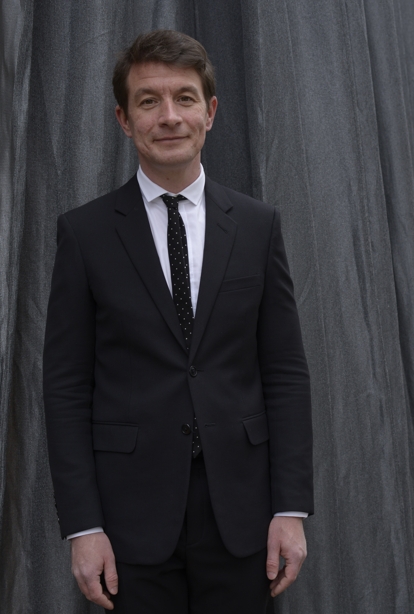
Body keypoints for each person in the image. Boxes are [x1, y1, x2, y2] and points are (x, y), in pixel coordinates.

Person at [43, 29, 313, 613]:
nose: (169, 116)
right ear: (124, 119)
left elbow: (285, 372)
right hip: (128, 518)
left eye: (184, 98)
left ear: (209, 112)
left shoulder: (258, 226)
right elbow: (65, 386)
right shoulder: (85, 235)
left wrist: (290, 509)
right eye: (149, 101)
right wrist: (83, 526)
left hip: (243, 513)